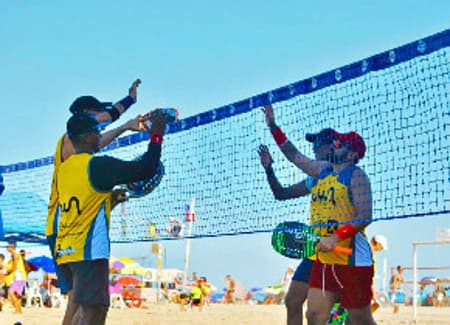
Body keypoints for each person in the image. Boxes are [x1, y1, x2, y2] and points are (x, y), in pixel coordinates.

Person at [55, 109, 171, 325]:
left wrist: (111, 200)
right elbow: (146, 168)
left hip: (67, 249)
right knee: (95, 310)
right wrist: (157, 134)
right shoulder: (96, 165)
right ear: (88, 136)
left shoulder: (65, 168)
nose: (100, 135)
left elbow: (85, 202)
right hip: (87, 251)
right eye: (97, 132)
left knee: (84, 309)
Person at [263, 104, 375, 325]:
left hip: (350, 257)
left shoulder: (356, 175)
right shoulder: (321, 171)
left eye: (340, 143)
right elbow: (294, 155)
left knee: (359, 318)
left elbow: (364, 216)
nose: (336, 144)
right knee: (313, 315)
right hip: (323, 256)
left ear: (351, 154)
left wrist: (335, 237)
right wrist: (273, 126)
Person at [46, 79, 141, 325]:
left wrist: (126, 126)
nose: (99, 123)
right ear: (86, 115)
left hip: (65, 225)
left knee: (80, 303)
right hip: (64, 225)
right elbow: (109, 117)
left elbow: (102, 135)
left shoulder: (76, 146)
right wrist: (130, 100)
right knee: (79, 300)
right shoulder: (69, 139)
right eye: (96, 114)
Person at [258, 128, 336, 325]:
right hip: (316, 249)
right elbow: (281, 194)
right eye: (313, 144)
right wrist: (269, 169)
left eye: (319, 144)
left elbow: (293, 155)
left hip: (338, 250)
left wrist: (273, 126)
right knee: (292, 301)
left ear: (333, 147)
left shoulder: (339, 171)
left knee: (321, 314)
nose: (314, 148)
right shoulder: (315, 178)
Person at [4, 241, 28, 314]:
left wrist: (8, 272)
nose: (6, 248)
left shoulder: (14, 254)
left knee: (11, 293)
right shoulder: (16, 254)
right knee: (17, 295)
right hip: (21, 276)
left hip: (19, 276)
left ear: (11, 247)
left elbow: (14, 267)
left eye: (7, 247)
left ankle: (18, 309)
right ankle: (19, 310)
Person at [369, 235, 388, 313]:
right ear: (377, 244)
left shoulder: (368, 254)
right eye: (381, 247)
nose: (381, 250)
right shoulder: (367, 255)